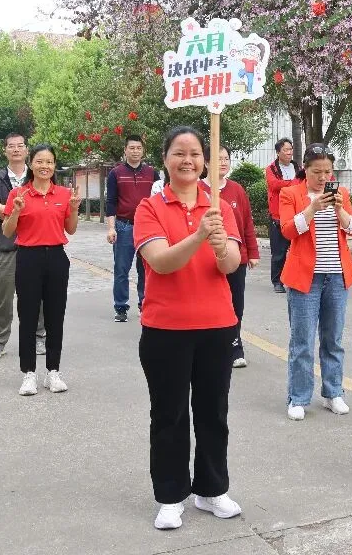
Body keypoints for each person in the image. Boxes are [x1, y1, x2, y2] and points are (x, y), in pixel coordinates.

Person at [134, 126, 244, 530]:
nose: (188, 161)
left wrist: (219, 245)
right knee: (170, 414)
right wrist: (199, 235)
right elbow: (160, 262)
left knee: (214, 412)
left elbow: (230, 264)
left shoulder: (219, 207)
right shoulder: (151, 208)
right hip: (166, 329)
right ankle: (169, 494)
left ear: (205, 161)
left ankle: (212, 489)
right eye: (179, 153)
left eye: (196, 154)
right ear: (164, 158)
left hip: (216, 326)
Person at [279, 144, 352, 421]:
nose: (323, 177)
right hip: (305, 275)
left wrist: (339, 211)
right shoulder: (291, 193)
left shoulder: (342, 194)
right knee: (302, 340)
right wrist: (312, 208)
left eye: (328, 171)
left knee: (333, 338)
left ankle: (333, 392)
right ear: (305, 169)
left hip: (336, 275)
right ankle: (299, 396)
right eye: (317, 172)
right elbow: (288, 230)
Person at [2, 143, 80, 396]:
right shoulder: (19, 194)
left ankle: (53, 372)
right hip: (28, 258)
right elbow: (7, 231)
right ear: (31, 164)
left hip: (57, 258)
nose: (44, 166)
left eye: (49, 162)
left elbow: (71, 229)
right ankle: (29, 374)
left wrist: (76, 209)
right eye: (39, 161)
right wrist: (15, 212)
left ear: (54, 166)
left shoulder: (64, 194)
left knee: (56, 316)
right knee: (28, 315)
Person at [0, 134, 45, 361]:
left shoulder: (37, 173)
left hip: (36, 245)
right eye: (11, 146)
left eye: (20, 146)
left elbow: (46, 201)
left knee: (38, 296)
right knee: (2, 297)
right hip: (6, 248)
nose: (16, 150)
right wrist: (14, 210)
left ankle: (39, 336)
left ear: (27, 150)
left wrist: (13, 210)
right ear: (5, 151)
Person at [201, 146, 261, 369]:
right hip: (206, 259)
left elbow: (247, 223)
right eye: (218, 159)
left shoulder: (237, 190)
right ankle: (210, 346)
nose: (223, 163)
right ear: (206, 163)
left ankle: (235, 346)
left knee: (236, 302)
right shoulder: (197, 189)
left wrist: (252, 252)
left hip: (236, 257)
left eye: (226, 159)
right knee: (209, 302)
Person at [105, 134, 158, 323]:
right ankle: (121, 307)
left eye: (139, 148)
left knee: (147, 268)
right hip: (123, 226)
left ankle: (145, 304)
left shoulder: (153, 173)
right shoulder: (115, 173)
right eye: (132, 148)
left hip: (147, 227)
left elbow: (160, 201)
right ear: (125, 150)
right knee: (121, 269)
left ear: (143, 151)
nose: (135, 151)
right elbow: (111, 203)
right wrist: (111, 228)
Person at [265, 138, 305, 294]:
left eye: (291, 149)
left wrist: (290, 184)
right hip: (278, 215)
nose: (289, 153)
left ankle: (293, 279)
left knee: (297, 251)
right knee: (279, 252)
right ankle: (277, 281)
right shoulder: (271, 169)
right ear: (278, 152)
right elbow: (274, 185)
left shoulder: (298, 167)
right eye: (286, 150)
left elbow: (303, 183)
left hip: (297, 213)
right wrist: (293, 184)